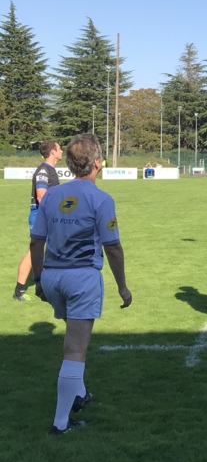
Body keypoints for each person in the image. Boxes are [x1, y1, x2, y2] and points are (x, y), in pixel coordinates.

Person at [30, 134, 132, 434]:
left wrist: (39, 279)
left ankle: (80, 393)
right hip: (82, 278)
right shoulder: (101, 199)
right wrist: (122, 287)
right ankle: (61, 423)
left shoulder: (51, 196)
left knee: (74, 338)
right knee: (75, 350)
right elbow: (113, 247)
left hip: (52, 277)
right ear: (97, 163)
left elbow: (36, 241)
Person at [13, 140, 63, 301]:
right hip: (41, 215)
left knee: (44, 251)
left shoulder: (50, 170)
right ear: (52, 151)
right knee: (34, 251)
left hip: (45, 215)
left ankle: (42, 287)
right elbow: (41, 196)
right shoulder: (44, 170)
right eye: (59, 148)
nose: (62, 150)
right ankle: (21, 290)